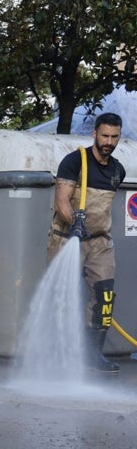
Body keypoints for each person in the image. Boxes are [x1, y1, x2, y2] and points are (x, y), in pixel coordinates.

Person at [49, 112, 126, 373]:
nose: (109, 141)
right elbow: (61, 200)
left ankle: (93, 356)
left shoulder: (117, 170)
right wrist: (75, 222)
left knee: (104, 297)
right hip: (68, 237)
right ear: (94, 133)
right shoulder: (75, 162)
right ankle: (57, 356)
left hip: (100, 242)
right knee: (61, 297)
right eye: (104, 135)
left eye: (114, 137)